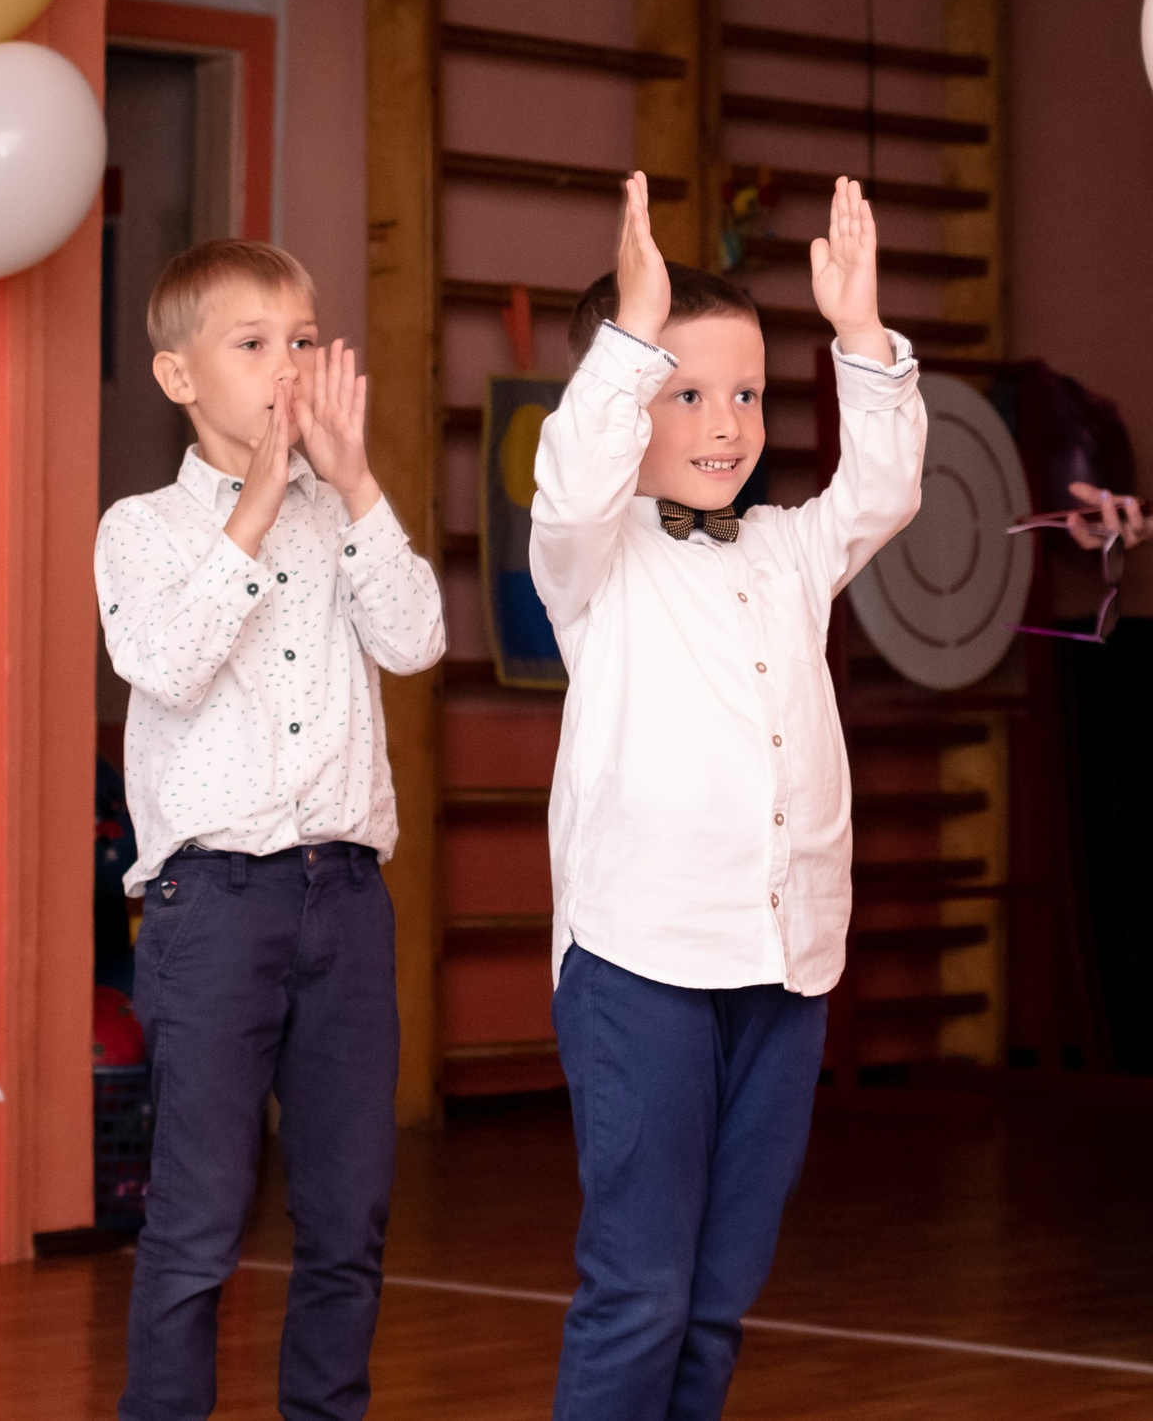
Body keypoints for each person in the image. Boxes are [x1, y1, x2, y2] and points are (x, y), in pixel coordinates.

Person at [529, 175, 924, 1420]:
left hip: (784, 963)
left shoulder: (792, 549)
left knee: (713, 1300)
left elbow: (884, 491)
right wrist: (627, 338)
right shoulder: (591, 557)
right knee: (639, 1290)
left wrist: (860, 336)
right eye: (684, 393)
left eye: (745, 394)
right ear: (628, 401)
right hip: (642, 959)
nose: (724, 422)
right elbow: (569, 473)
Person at [95, 240, 446, 1421]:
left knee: (348, 1224)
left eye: (302, 341)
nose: (285, 367)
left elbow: (414, 640)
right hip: (215, 910)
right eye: (252, 345)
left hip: (344, 902)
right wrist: (251, 510)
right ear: (176, 377)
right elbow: (161, 662)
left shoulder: (341, 515)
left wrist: (355, 489)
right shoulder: (140, 529)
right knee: (196, 1226)